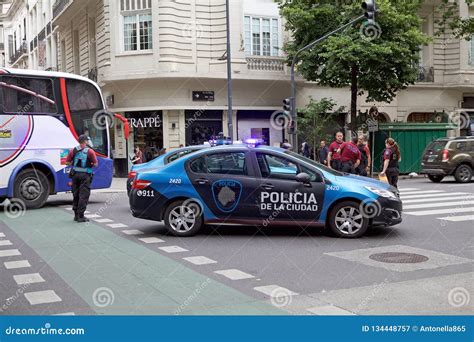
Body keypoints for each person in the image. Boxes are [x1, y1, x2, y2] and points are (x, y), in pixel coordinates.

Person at [66, 134, 98, 223]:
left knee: (76, 194)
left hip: (75, 175)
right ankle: (81, 216)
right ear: (85, 141)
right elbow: (95, 164)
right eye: (87, 140)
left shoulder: (73, 150)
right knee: (83, 196)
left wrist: (74, 164)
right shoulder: (90, 151)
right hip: (85, 176)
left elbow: (67, 163)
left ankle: (76, 215)